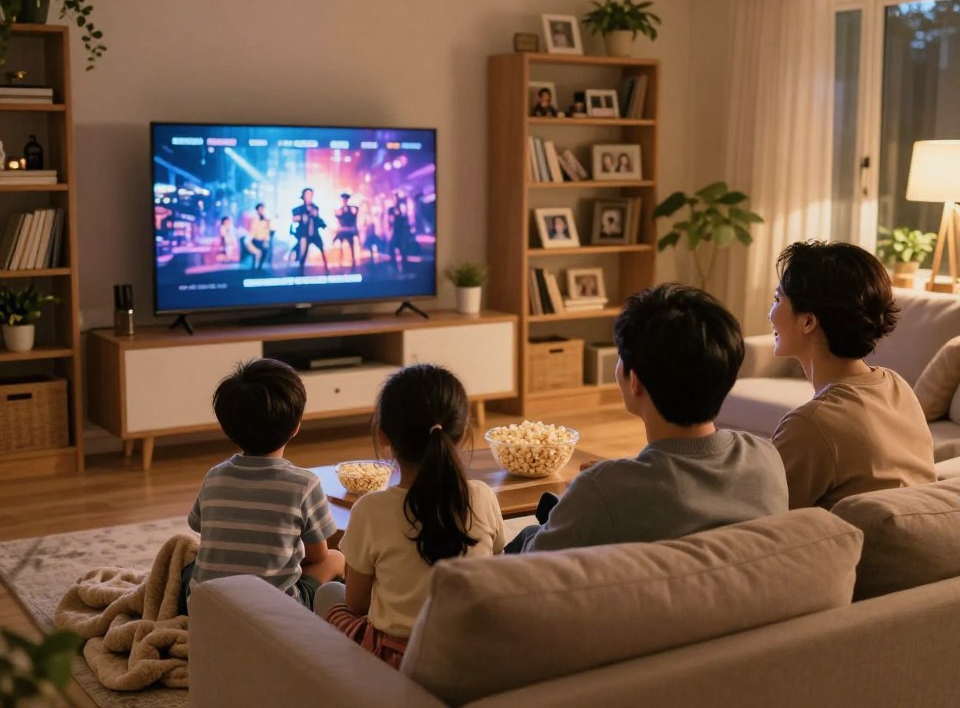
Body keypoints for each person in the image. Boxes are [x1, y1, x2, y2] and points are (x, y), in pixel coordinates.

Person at [507, 283, 788, 553]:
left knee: (528, 536)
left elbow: (531, 567)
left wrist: (590, 492)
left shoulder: (601, 491)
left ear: (635, 381)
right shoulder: (766, 458)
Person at [314, 364, 505, 668]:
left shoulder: (370, 509)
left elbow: (357, 604)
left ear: (383, 435)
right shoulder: (482, 496)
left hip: (398, 659)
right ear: (463, 433)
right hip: (470, 652)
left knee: (328, 595)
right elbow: (495, 573)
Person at [769, 241, 936, 509]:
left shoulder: (810, 425)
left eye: (777, 300)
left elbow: (758, 520)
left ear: (808, 322)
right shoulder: (896, 385)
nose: (770, 313)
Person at [180, 359, 344, 615]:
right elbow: (317, 556)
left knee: (190, 569)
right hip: (274, 616)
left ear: (227, 428)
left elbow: (201, 529)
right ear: (296, 427)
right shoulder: (304, 484)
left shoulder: (214, 477)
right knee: (336, 559)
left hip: (208, 609)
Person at [291, 187, 329, 274]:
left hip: (315, 234)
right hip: (304, 235)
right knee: (303, 253)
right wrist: (301, 217)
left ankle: (327, 269)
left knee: (322, 250)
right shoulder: (300, 209)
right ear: (303, 196)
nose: (309, 197)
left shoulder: (315, 207)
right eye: (307, 195)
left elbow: (317, 219)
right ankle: (301, 271)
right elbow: (294, 218)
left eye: (310, 195)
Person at [334, 192, 361, 272]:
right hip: (343, 231)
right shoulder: (340, 210)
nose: (344, 201)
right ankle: (340, 260)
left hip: (349, 231)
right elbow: (338, 219)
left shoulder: (351, 209)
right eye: (343, 199)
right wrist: (337, 215)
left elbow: (354, 216)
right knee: (340, 244)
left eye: (345, 199)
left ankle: (353, 262)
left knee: (351, 246)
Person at [244, 202, 272, 269]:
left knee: (264, 252)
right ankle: (254, 268)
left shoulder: (266, 218)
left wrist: (267, 238)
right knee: (256, 254)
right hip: (255, 239)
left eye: (262, 209)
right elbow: (252, 230)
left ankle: (260, 267)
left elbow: (268, 229)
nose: (261, 210)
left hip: (263, 239)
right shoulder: (254, 218)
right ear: (257, 210)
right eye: (260, 209)